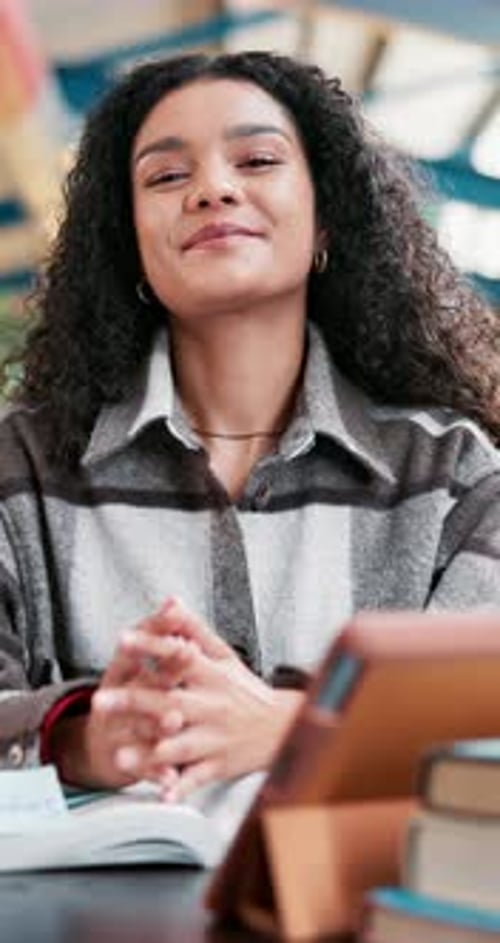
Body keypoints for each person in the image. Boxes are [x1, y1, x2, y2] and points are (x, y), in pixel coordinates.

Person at [1, 50, 500, 803]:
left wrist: (289, 726)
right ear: (127, 241)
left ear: (327, 216)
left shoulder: (455, 477)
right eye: (168, 177)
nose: (213, 189)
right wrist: (87, 734)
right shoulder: (19, 468)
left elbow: (482, 722)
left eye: (257, 159)